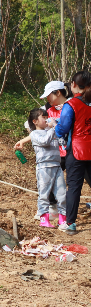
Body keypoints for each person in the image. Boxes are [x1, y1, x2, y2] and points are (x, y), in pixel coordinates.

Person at [15, 108, 66, 228]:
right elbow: (45, 141)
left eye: (46, 117)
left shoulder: (51, 131)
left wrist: (58, 129)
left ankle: (63, 219)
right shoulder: (34, 134)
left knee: (62, 194)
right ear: (35, 121)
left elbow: (61, 142)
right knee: (44, 194)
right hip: (44, 167)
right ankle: (44, 218)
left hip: (57, 166)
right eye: (43, 117)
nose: (46, 119)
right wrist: (53, 128)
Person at [55, 70, 91, 235]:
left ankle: (70, 223)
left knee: (74, 187)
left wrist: (55, 127)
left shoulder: (72, 104)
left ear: (74, 85)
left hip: (77, 150)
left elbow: (62, 128)